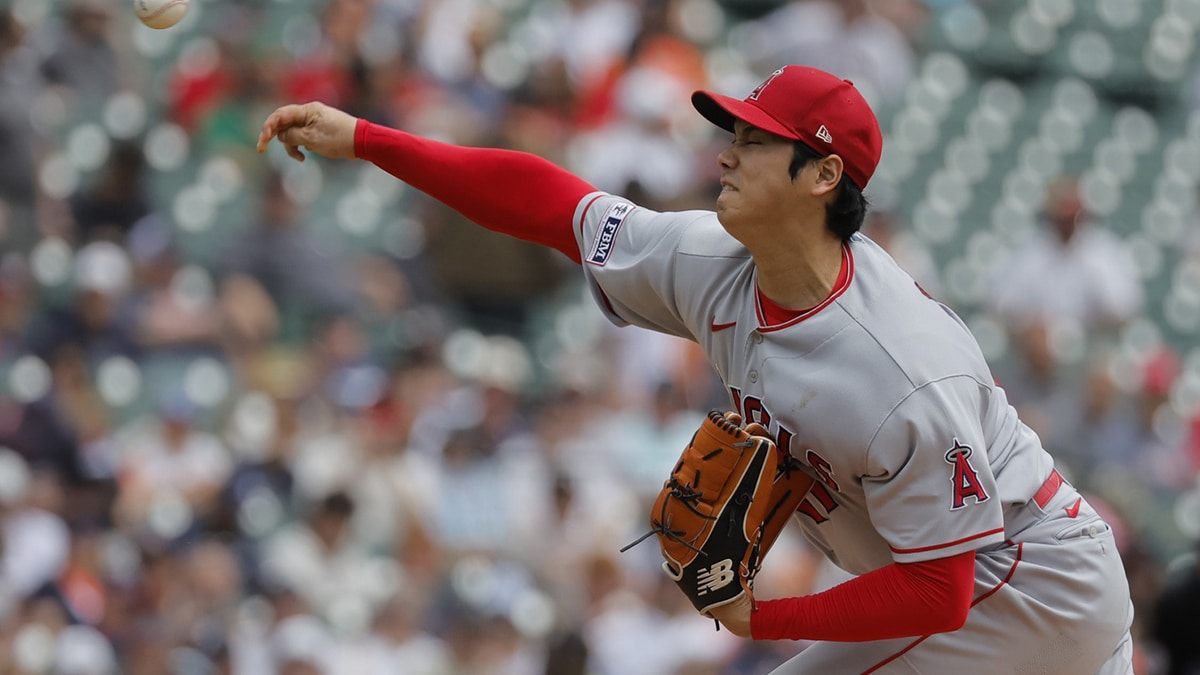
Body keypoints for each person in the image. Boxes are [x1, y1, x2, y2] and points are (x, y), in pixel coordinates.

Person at [257, 64, 1135, 673]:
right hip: (997, 584)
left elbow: (941, 591)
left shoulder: (900, 366)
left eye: (755, 139)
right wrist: (370, 139)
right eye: (734, 132)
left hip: (1024, 578)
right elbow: (550, 204)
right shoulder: (709, 257)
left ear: (824, 172)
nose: (726, 152)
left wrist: (763, 619)